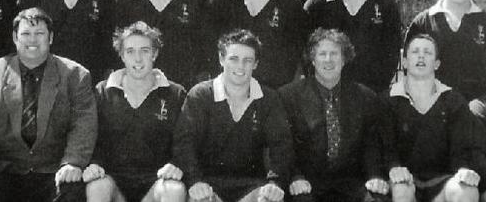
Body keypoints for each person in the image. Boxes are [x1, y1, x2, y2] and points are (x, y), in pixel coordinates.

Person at [0, 7, 97, 202]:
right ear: (15, 38)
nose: (32, 40)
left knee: (72, 193)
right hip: (4, 170)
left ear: (50, 37)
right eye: (25, 34)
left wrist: (73, 163)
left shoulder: (75, 75)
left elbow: (83, 125)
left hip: (54, 170)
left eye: (39, 33)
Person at [173, 29, 294, 202]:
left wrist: (275, 182)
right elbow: (184, 143)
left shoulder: (268, 98)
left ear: (256, 64)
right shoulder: (200, 95)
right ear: (221, 59)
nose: (240, 66)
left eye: (248, 60)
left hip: (252, 185)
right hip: (207, 185)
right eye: (233, 59)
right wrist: (194, 181)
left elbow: (282, 146)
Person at [278, 28, 389, 202]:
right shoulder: (289, 96)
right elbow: (283, 145)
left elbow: (371, 143)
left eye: (334, 54)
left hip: (350, 181)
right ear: (313, 60)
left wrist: (374, 175)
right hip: (307, 182)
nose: (328, 60)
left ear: (344, 59)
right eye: (322, 54)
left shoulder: (364, 96)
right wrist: (295, 177)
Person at [84, 21, 186, 202]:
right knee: (97, 186)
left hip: (157, 181)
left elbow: (185, 140)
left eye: (145, 51)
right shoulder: (103, 91)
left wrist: (176, 163)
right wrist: (94, 164)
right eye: (130, 51)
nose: (137, 59)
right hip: (113, 180)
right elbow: (91, 136)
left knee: (174, 189)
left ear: (154, 54)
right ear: (122, 56)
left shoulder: (175, 93)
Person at [383, 34, 482, 202]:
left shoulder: (454, 100)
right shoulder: (388, 100)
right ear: (405, 61)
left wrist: (464, 170)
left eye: (427, 52)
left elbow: (462, 148)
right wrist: (394, 168)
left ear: (437, 64)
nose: (421, 56)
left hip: (443, 181)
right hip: (404, 180)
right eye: (415, 51)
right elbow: (385, 147)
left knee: (466, 191)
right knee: (401, 190)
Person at [405, 0, 486, 119]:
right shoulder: (424, 22)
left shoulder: (483, 19)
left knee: (471, 118)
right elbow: (410, 68)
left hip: (478, 102)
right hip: (434, 99)